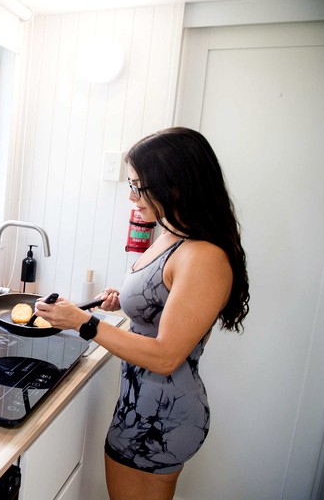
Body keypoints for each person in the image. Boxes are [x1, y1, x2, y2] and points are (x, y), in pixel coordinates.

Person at [34, 127, 250, 500]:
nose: (131, 196)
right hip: (141, 405)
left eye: (138, 186)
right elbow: (163, 304)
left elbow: (166, 356)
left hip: (162, 417)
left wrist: (83, 322)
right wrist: (126, 302)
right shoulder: (172, 233)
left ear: (175, 185)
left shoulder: (203, 257)